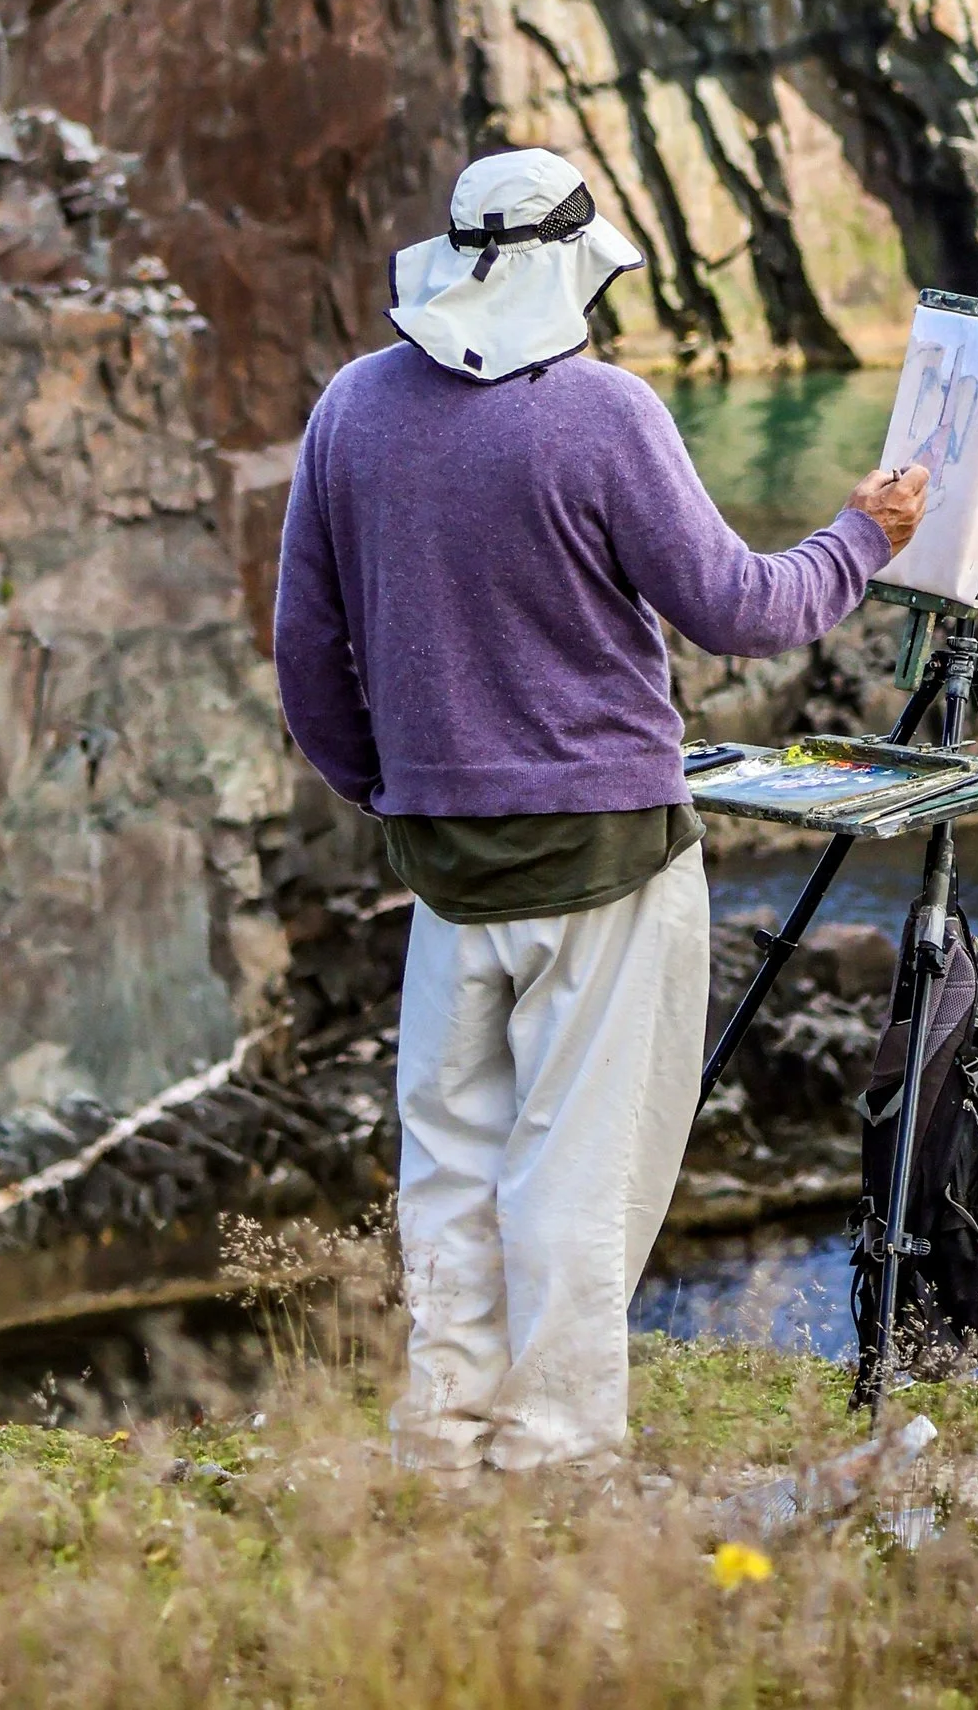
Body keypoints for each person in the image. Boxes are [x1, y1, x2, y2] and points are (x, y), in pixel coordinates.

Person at [271, 145, 929, 1474]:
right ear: (575, 271)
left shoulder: (351, 409)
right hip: (612, 864)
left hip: (449, 875)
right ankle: (557, 1455)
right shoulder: (601, 413)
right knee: (577, 1172)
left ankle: (447, 1436)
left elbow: (306, 656)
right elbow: (747, 608)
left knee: (450, 1166)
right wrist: (864, 536)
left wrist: (403, 798)